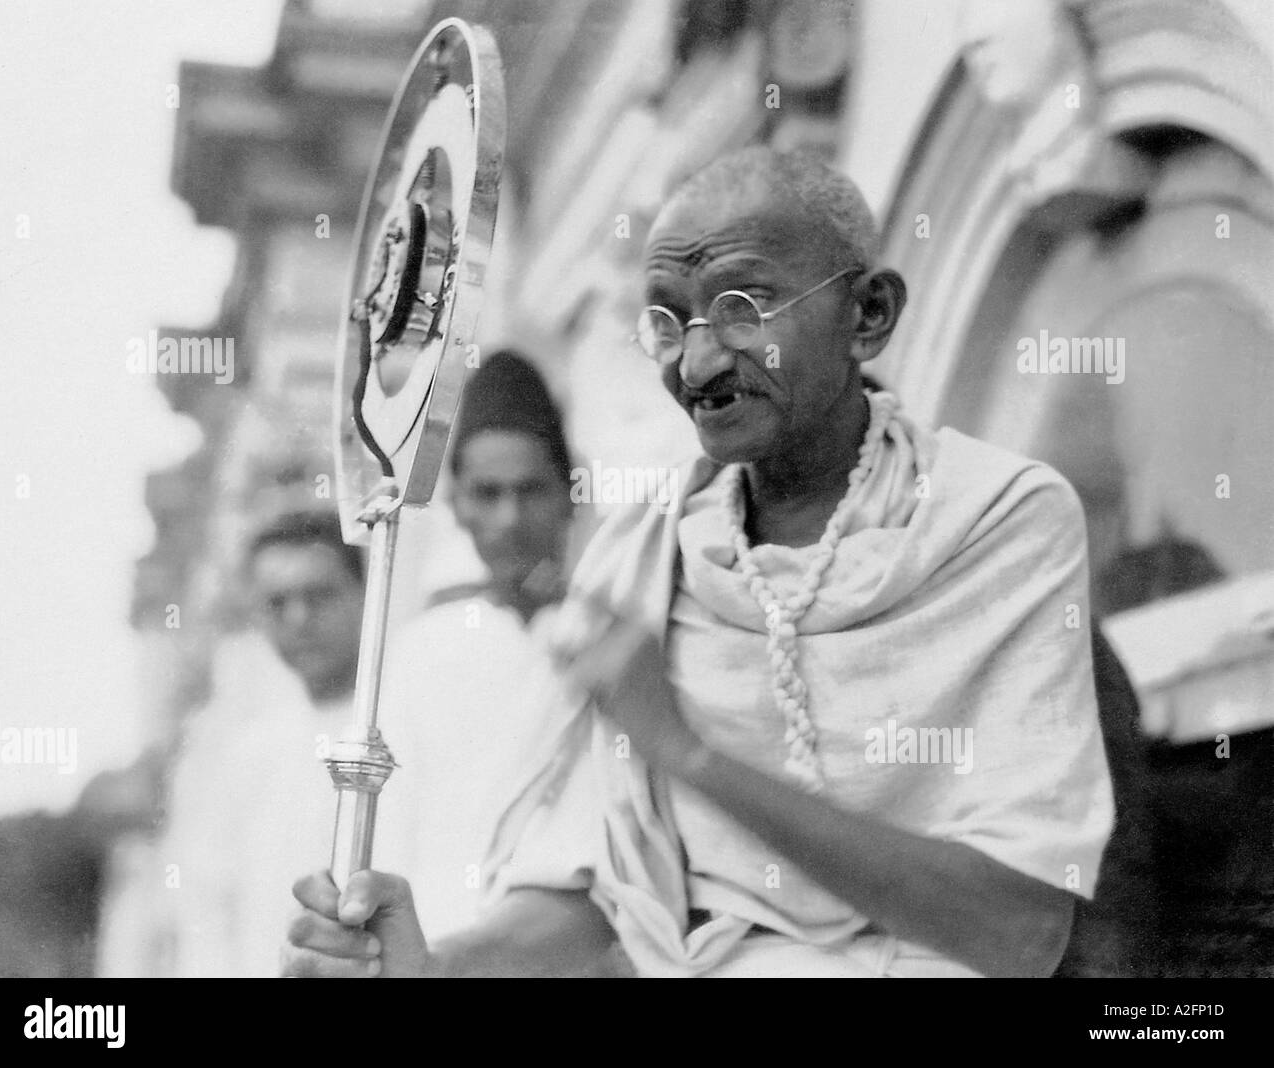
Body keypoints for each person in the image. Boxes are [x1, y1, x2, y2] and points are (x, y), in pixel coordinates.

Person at [282, 146, 1114, 978]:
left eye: (744, 306)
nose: (698, 361)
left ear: (868, 314)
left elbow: (1018, 927)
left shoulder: (997, 518)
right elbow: (606, 898)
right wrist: (427, 968)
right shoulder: (643, 558)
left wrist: (687, 751)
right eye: (669, 321)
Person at [375, 350, 587, 942]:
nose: (511, 517)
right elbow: (392, 834)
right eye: (487, 493)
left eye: (531, 490)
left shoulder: (613, 639)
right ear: (457, 505)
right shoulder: (424, 652)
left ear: (570, 493)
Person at [160, 509, 379, 977]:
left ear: (365, 595)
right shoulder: (241, 758)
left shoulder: (402, 728)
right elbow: (208, 919)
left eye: (318, 596)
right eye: (278, 603)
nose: (299, 619)